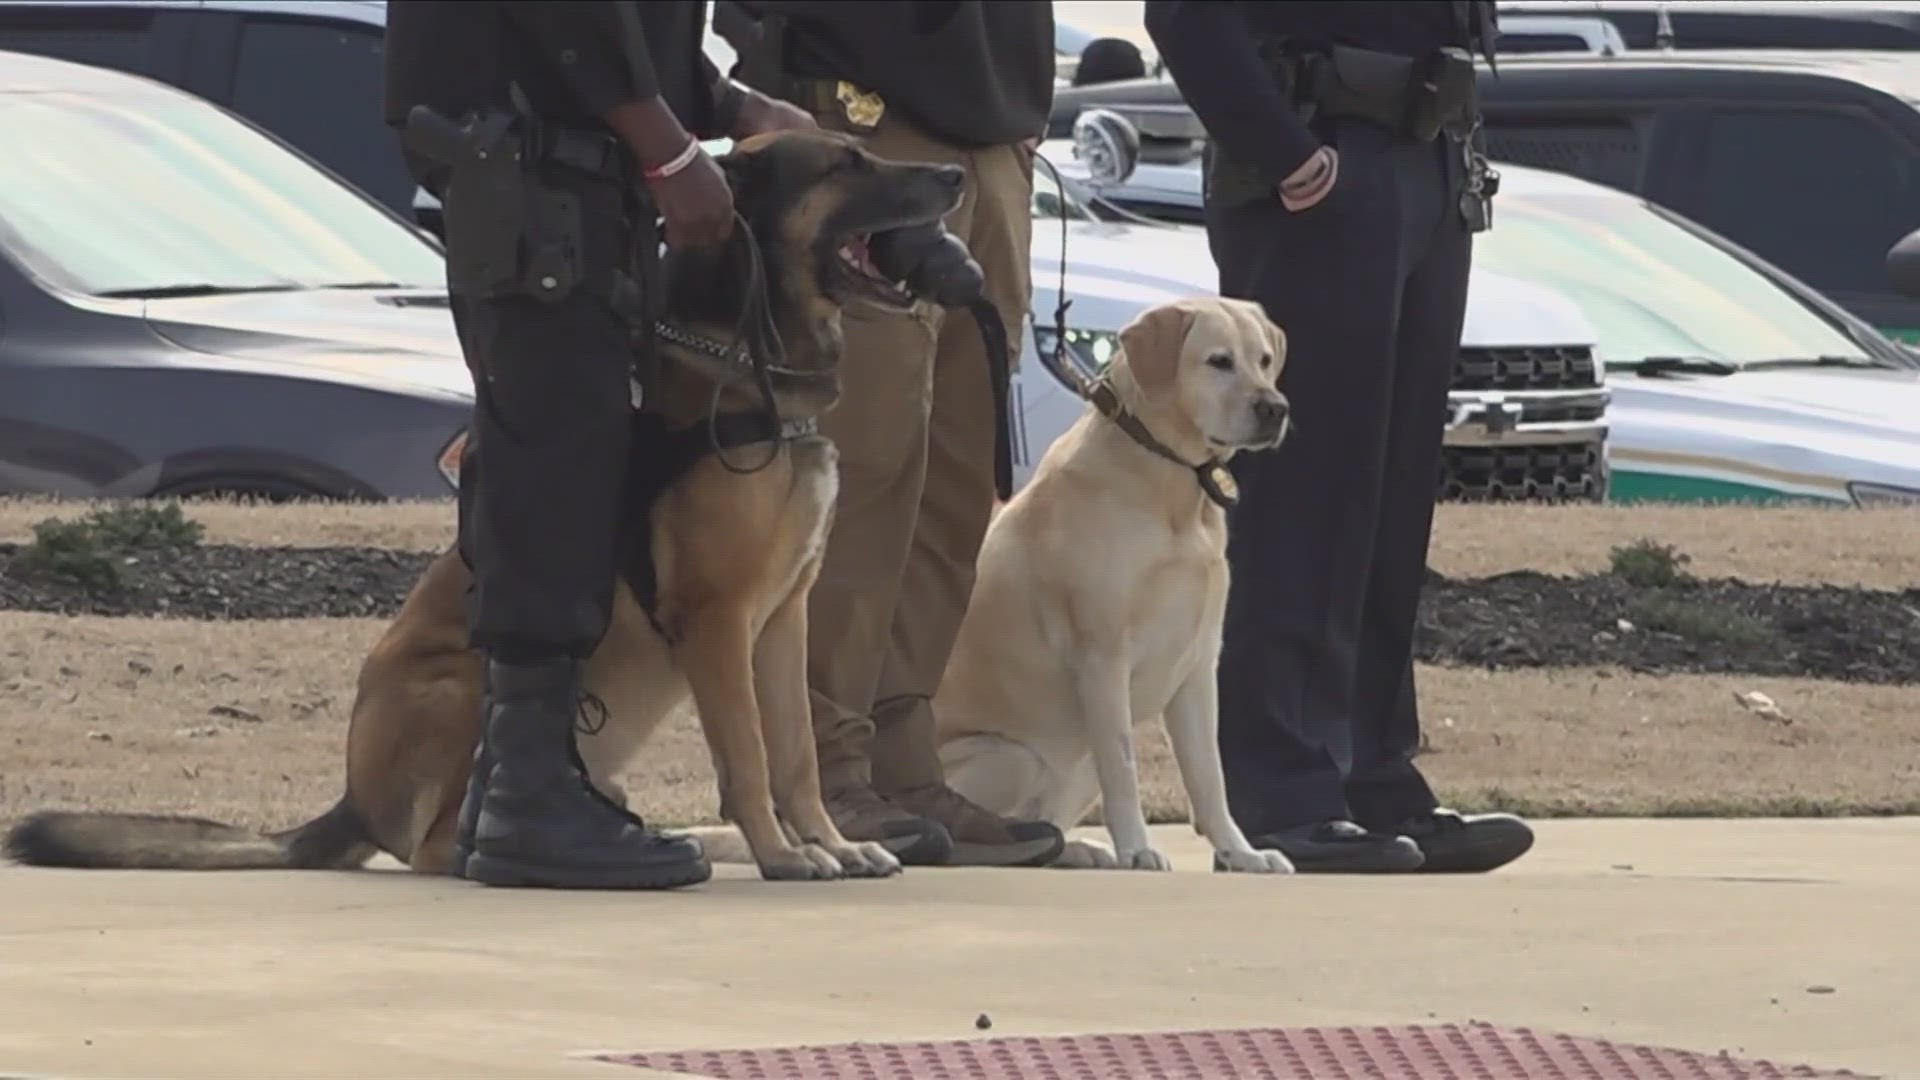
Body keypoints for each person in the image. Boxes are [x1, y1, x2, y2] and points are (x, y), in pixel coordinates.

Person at [383, 0, 814, 890]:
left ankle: (515, 784)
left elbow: (635, 29)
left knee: (562, 467)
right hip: (539, 179)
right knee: (552, 472)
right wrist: (669, 145)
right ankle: (527, 798)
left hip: (570, 181)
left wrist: (728, 109)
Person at [1144, 1, 1537, 874]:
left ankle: (1372, 778)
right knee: (1310, 494)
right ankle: (1285, 794)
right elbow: (1183, 14)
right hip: (1320, 155)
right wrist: (1276, 142)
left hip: (1427, 146)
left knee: (1389, 497)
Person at [718, 0, 1065, 867]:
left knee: (955, 478)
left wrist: (1025, 116)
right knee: (864, 469)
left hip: (990, 139)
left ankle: (904, 760)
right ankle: (822, 771)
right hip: (861, 124)